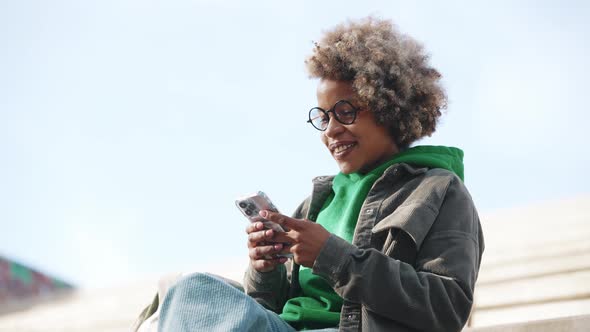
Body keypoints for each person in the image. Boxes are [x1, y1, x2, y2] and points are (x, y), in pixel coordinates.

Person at [134, 16, 484, 332]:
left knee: (189, 293)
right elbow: (266, 307)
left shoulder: (437, 190)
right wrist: (265, 269)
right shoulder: (316, 204)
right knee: (180, 287)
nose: (331, 130)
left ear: (388, 108)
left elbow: (447, 307)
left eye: (345, 112)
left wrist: (334, 256)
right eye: (323, 117)